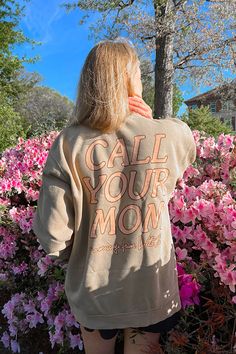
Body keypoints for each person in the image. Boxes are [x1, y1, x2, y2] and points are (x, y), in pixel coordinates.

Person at [32, 37, 196, 354]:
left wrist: (82, 252)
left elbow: (53, 237)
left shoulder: (68, 144)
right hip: (150, 287)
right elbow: (185, 150)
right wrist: (148, 124)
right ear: (130, 78)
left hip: (94, 291)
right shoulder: (171, 133)